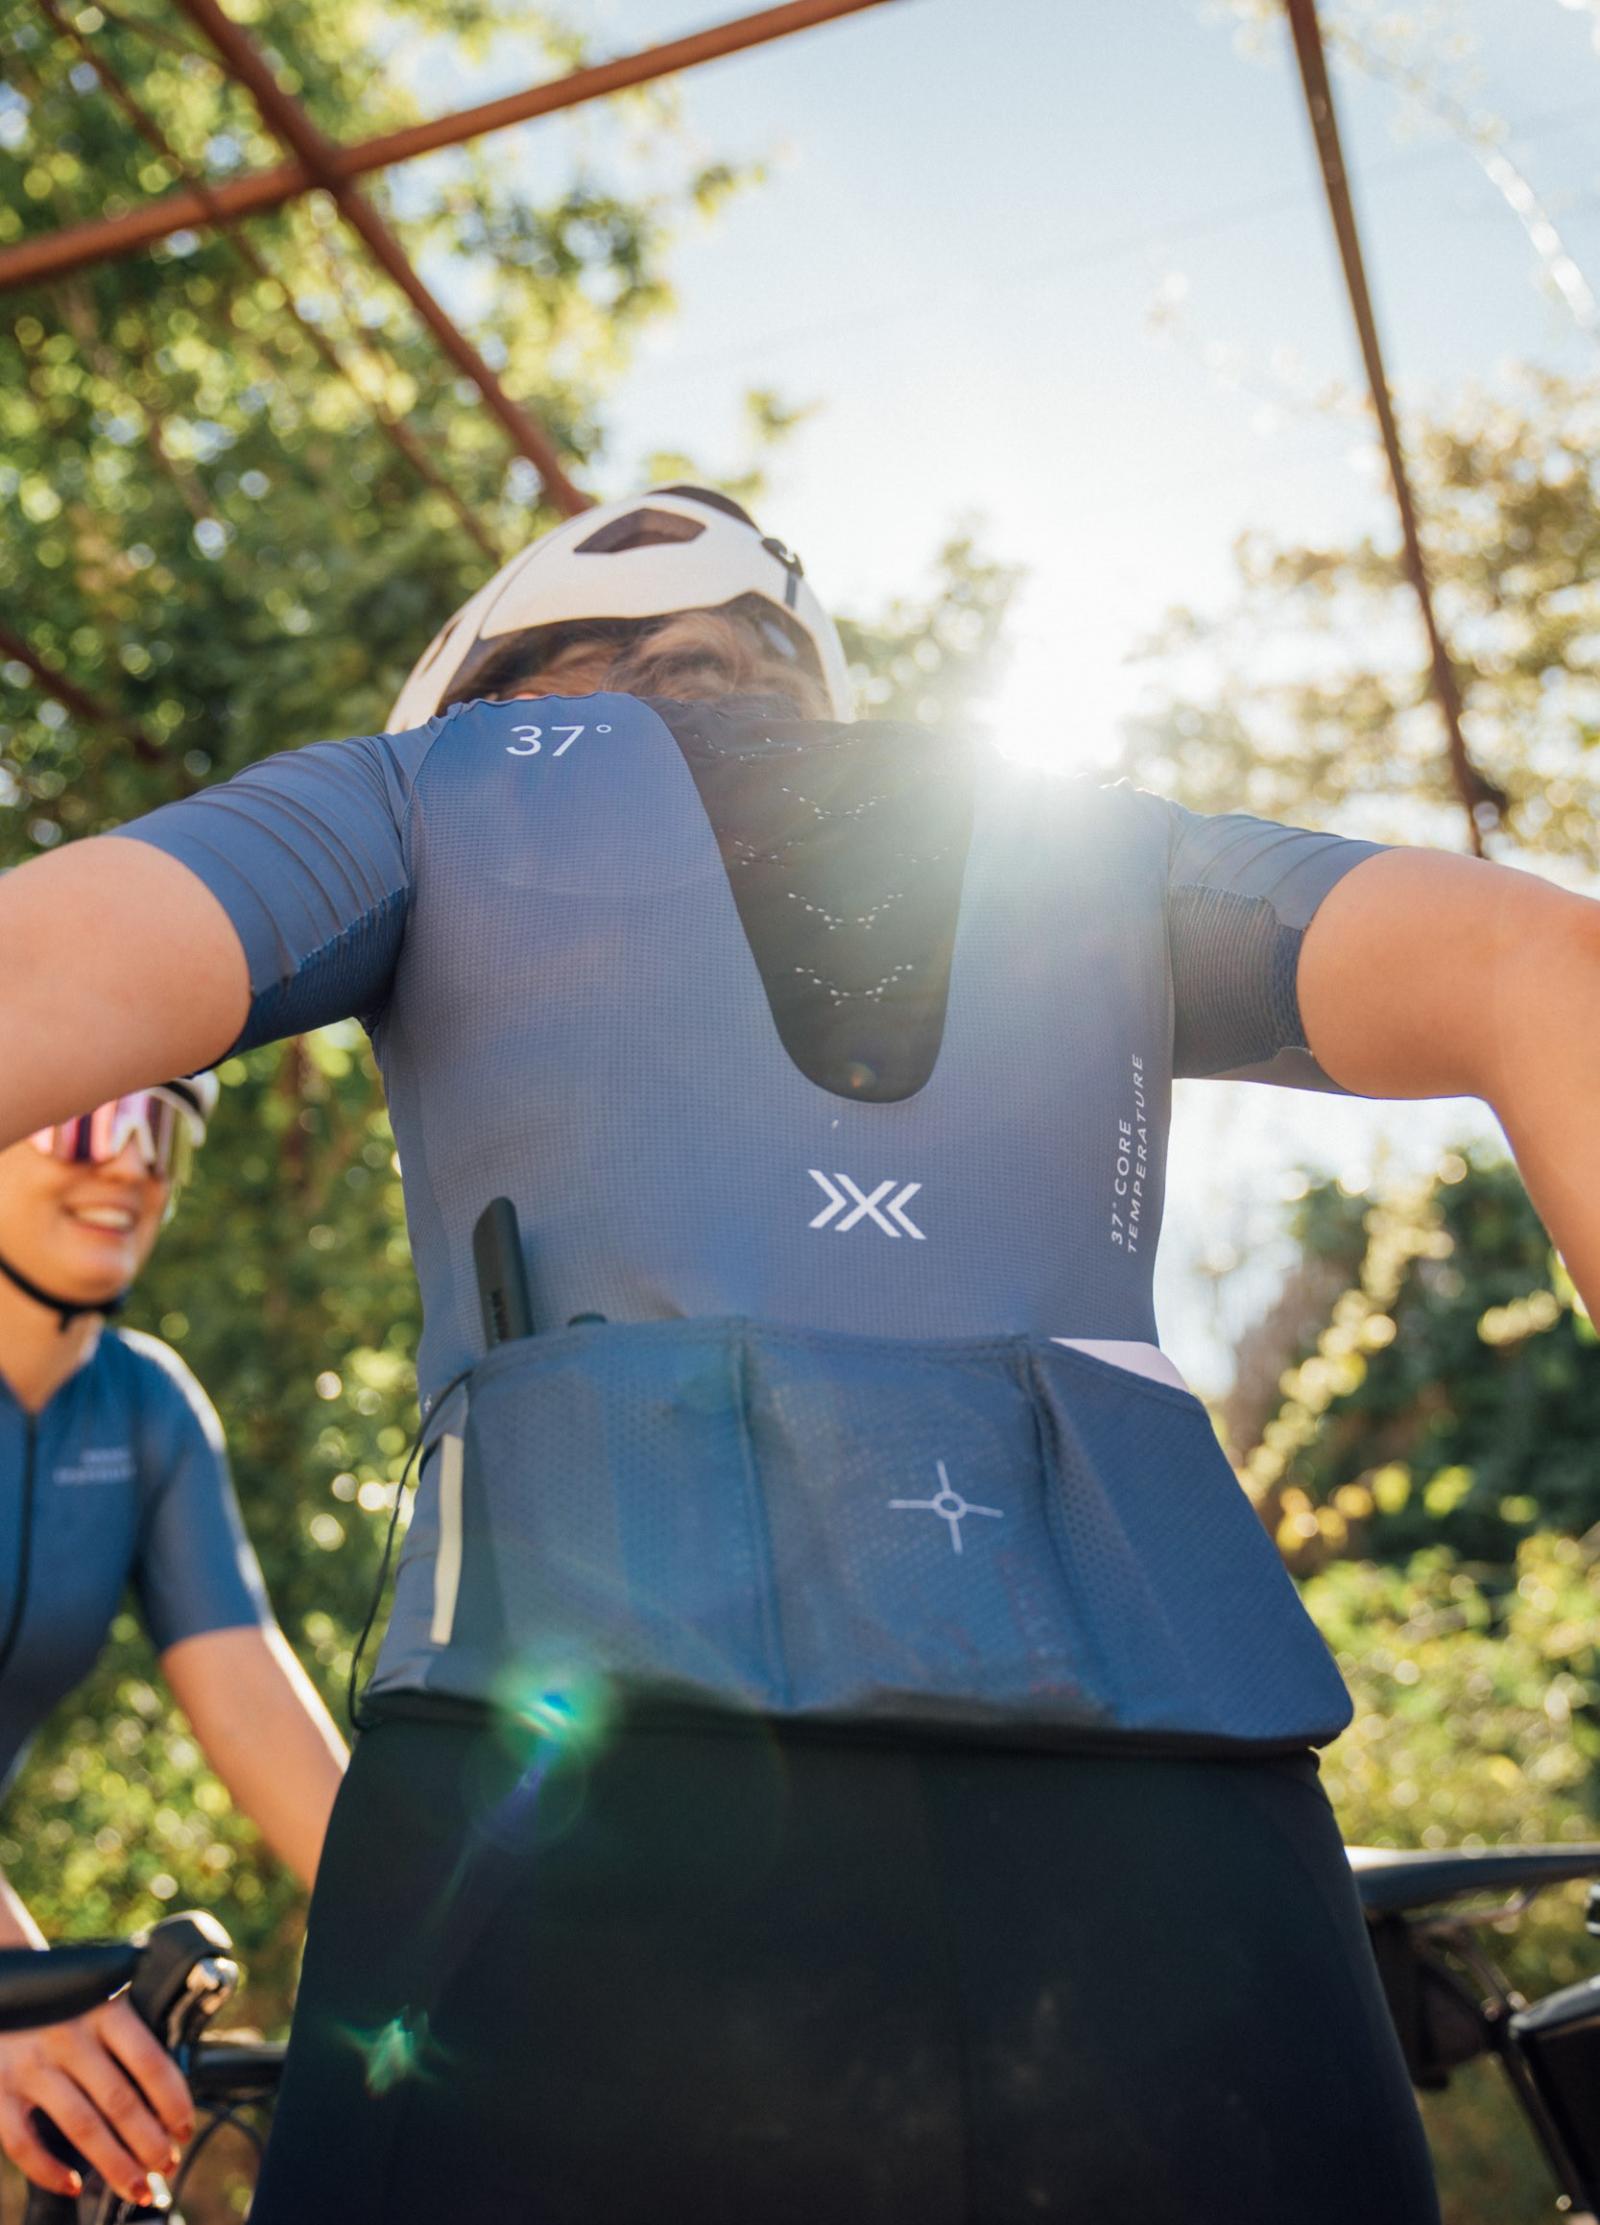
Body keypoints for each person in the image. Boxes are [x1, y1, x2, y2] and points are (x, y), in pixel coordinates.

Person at [0, 484, 1596, 2225]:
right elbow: (1538, 962)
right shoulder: (1074, 838)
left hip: (587, 1834)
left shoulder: (428, 793)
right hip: (1192, 1873)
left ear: (494, 689)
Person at [0, 1080, 347, 2211]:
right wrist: (17, 1987)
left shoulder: (143, 1406)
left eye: (164, 1128)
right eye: (85, 1116)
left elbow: (251, 1705)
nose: (131, 1163)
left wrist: (465, 1950)